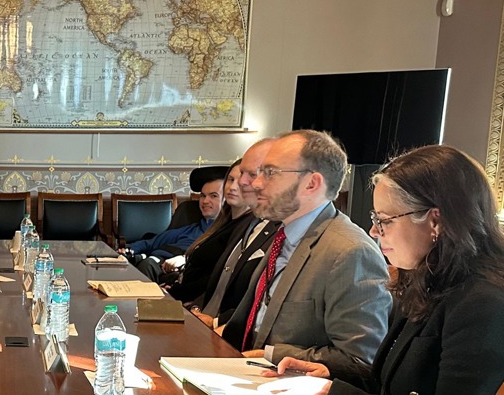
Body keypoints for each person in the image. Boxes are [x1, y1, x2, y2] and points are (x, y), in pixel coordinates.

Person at [257, 145, 504, 395]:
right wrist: (331, 376)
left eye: (385, 220)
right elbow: (402, 386)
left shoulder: (487, 308)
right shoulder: (431, 281)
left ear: (435, 220)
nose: (374, 231)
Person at [220, 129, 390, 374]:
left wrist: (271, 355)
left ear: (311, 183)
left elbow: (360, 359)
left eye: (270, 173)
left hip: (286, 389)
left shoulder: (351, 252)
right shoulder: (283, 233)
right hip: (240, 370)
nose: (256, 183)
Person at [186, 138, 280, 325]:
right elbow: (219, 285)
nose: (242, 182)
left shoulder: (282, 232)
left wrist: (216, 322)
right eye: (235, 177)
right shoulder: (247, 224)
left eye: (252, 174)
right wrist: (195, 309)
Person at [161, 158, 247, 298]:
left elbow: (219, 279)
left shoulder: (247, 227)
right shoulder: (222, 222)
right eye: (230, 179)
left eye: (241, 181)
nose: (232, 187)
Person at [122, 165, 226, 279]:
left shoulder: (227, 233)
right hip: (156, 262)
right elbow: (152, 242)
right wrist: (128, 250)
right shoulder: (190, 228)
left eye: (214, 196)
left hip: (185, 275)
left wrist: (185, 259)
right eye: (203, 196)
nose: (205, 201)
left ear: (227, 199)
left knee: (147, 265)